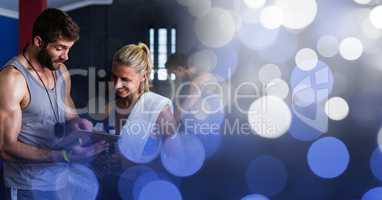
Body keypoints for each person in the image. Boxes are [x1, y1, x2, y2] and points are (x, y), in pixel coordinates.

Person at [0, 8, 108, 200]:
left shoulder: (61, 71)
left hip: (60, 183)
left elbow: (70, 114)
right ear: (39, 42)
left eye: (69, 48)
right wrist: (62, 156)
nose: (66, 56)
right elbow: (5, 148)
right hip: (25, 188)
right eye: (59, 48)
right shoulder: (12, 79)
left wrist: (78, 124)